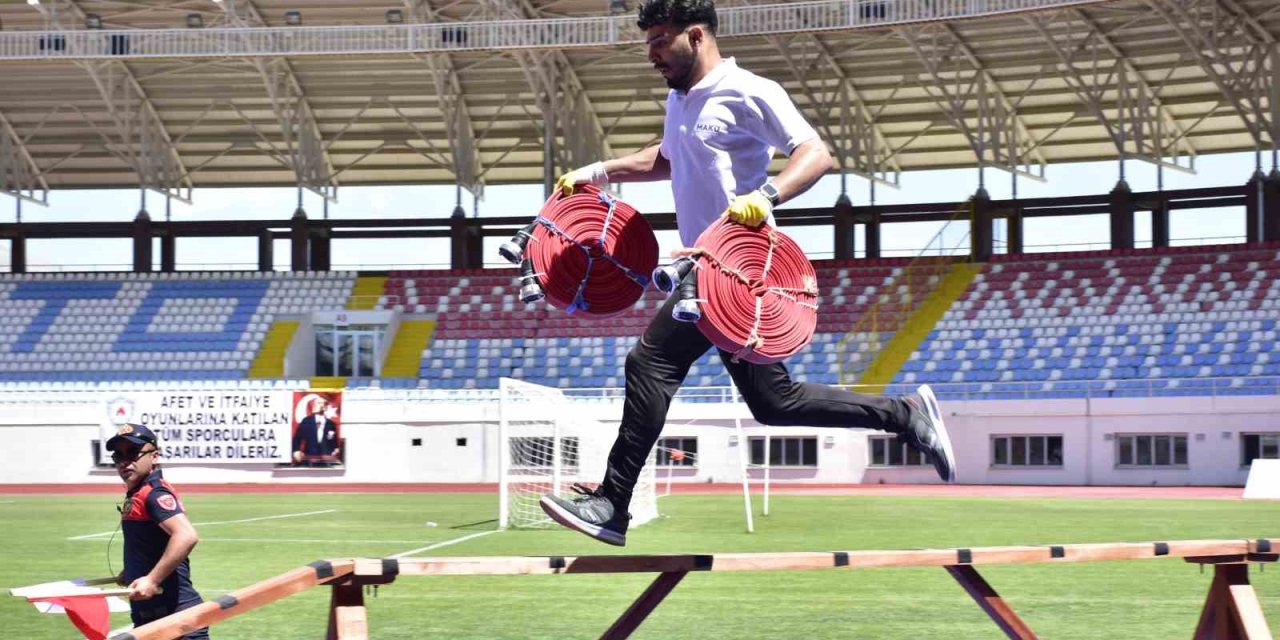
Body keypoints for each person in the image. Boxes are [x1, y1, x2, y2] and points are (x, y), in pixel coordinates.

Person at [539, 0, 957, 547]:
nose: (651, 54)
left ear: (695, 36)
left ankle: (612, 505)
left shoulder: (749, 90)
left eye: (660, 41)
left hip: (739, 267)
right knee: (774, 402)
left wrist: (767, 195)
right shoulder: (679, 99)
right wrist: (597, 171)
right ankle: (905, 415)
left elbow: (816, 153)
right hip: (708, 270)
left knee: (650, 362)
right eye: (649, 43)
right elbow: (669, 157)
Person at [106, 423, 209, 638]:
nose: (124, 461)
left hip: (177, 620)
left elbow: (186, 536)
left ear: (154, 457)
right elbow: (150, 542)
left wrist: (152, 579)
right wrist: (133, 570)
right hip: (154, 619)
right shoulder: (138, 492)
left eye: (133, 453)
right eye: (118, 455)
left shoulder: (154, 494)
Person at [292, 396, 340, 465]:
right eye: (316, 403)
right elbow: (297, 438)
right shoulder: (306, 421)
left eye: (320, 403)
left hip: (326, 459)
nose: (317, 405)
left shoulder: (331, 424)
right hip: (309, 458)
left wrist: (336, 450)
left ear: (325, 407)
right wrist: (296, 450)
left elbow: (334, 442)